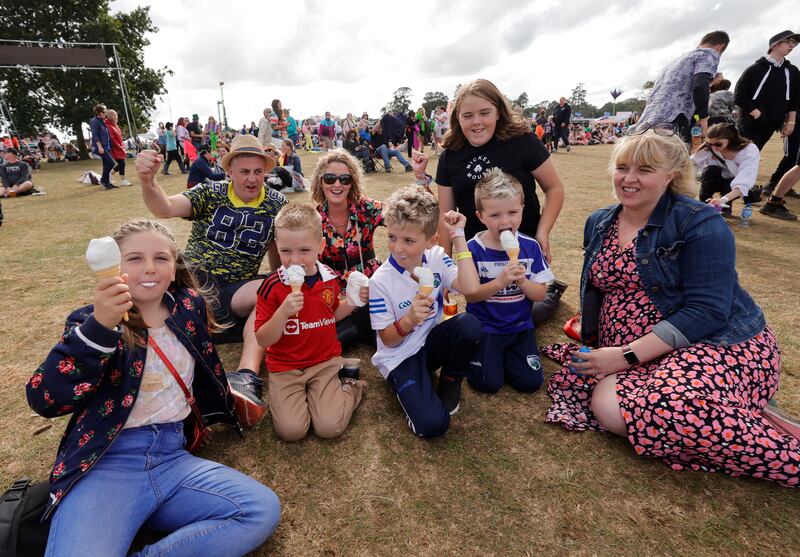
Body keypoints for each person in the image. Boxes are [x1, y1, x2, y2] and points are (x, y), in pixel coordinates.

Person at [543, 129, 800, 487]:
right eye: (622, 167)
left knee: (665, 408)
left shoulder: (698, 221)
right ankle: (734, 410)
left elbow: (708, 311)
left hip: (716, 344)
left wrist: (625, 356)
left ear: (671, 175)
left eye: (644, 170)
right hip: (643, 356)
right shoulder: (600, 221)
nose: (629, 179)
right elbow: (598, 290)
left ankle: (786, 453)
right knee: (608, 407)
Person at [26, 219, 281, 556]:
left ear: (174, 269)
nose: (149, 268)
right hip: (108, 464)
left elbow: (206, 366)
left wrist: (226, 404)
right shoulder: (89, 323)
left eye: (161, 258)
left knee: (259, 510)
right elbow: (46, 399)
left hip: (173, 457)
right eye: (134, 259)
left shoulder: (188, 306)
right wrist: (100, 328)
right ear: (113, 268)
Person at [135, 133, 287, 388]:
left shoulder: (277, 203)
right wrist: (148, 181)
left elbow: (277, 253)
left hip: (237, 288)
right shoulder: (210, 192)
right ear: (229, 170)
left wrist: (284, 287)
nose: (252, 179)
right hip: (195, 282)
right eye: (244, 171)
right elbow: (165, 208)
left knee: (271, 289)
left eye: (258, 172)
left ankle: (247, 376)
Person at [432, 78, 567, 326]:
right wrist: (446, 266)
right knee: (482, 314)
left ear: (498, 112)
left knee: (528, 313)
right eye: (467, 115)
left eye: (485, 113)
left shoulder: (522, 141)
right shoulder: (450, 155)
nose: (476, 122)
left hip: (522, 242)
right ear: (457, 118)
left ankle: (551, 291)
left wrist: (543, 232)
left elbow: (554, 188)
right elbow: (445, 213)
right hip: (477, 251)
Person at [368, 186, 482, 438]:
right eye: (392, 237)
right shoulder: (380, 281)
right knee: (433, 426)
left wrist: (458, 236)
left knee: (470, 325)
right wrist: (408, 320)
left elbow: (470, 287)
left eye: (409, 240)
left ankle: (450, 381)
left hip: (429, 344)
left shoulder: (437, 257)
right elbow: (387, 339)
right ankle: (405, 387)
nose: (397, 248)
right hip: (400, 356)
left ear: (431, 241)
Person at [254, 203, 367, 441]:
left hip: (323, 362)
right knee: (291, 431)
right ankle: (302, 398)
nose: (295, 260)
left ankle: (351, 386)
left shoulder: (329, 279)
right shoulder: (271, 287)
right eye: (286, 251)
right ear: (277, 247)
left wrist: (354, 302)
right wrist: (283, 312)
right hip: (285, 368)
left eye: (304, 250)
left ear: (321, 246)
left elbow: (331, 315)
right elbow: (263, 338)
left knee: (328, 428)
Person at [464, 169, 554, 394]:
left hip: (520, 326)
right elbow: (471, 295)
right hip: (486, 327)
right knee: (487, 384)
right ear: (480, 216)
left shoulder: (530, 246)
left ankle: (510, 357)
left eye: (513, 212)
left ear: (522, 210)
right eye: (495, 215)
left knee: (530, 383)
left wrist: (523, 281)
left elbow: (540, 294)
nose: (505, 221)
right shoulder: (473, 249)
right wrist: (500, 282)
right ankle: (478, 354)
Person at [312, 150, 384, 345]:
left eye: (345, 179)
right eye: (330, 178)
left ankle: (353, 331)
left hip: (367, 284)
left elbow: (406, 213)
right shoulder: (313, 219)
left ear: (352, 183)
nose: (337, 184)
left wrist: (421, 178)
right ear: (321, 182)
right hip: (332, 291)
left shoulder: (366, 208)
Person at [735, 30, 800, 198]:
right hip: (750, 124)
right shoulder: (755, 69)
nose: (792, 46)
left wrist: (790, 123)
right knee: (742, 159)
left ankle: (741, 192)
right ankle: (729, 197)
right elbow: (739, 95)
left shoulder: (792, 71)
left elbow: (794, 100)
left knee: (752, 159)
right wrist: (757, 114)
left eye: (795, 43)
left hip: (772, 125)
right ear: (775, 45)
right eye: (789, 42)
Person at [637, 31, 729, 144]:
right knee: (676, 158)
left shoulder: (678, 60)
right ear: (721, 46)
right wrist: (703, 118)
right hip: (674, 119)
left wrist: (710, 82)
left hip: (649, 119)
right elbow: (700, 86)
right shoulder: (709, 54)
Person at [690, 123, 760, 217]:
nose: (714, 147)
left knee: (729, 184)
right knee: (709, 171)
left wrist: (722, 200)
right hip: (715, 179)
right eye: (710, 144)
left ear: (730, 139)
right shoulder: (710, 148)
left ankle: (725, 208)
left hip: (733, 184)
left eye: (718, 144)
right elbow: (691, 163)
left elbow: (742, 183)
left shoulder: (748, 150)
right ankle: (704, 203)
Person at [89, 104, 117, 189]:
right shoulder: (94, 121)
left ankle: (107, 182)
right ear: (99, 112)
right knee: (111, 163)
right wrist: (99, 146)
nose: (105, 113)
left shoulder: (103, 121)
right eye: (104, 112)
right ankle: (103, 180)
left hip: (106, 146)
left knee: (106, 165)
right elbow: (95, 135)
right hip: (100, 146)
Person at [105, 109, 132, 187]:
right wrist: (118, 146)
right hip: (115, 148)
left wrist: (121, 145)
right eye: (115, 115)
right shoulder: (109, 126)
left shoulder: (115, 125)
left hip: (119, 147)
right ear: (112, 116)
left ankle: (110, 175)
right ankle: (123, 180)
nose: (117, 117)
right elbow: (112, 138)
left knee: (121, 163)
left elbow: (118, 136)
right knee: (121, 163)